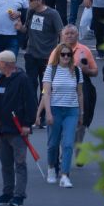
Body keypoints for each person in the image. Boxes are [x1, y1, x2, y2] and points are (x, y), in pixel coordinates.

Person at [0, 50, 36, 206]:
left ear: (7, 64)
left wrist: (27, 124)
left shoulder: (22, 80)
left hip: (17, 130)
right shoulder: (1, 80)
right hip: (2, 130)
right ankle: (7, 192)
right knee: (6, 164)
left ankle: (19, 195)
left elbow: (31, 103)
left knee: (19, 163)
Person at [40, 44, 84, 189]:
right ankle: (52, 168)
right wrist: (48, 113)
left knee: (68, 144)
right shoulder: (50, 70)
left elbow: (80, 94)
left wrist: (81, 113)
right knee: (53, 143)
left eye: (68, 54)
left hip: (71, 110)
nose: (66, 57)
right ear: (58, 55)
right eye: (63, 54)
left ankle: (65, 175)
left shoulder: (76, 71)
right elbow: (46, 93)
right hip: (55, 109)